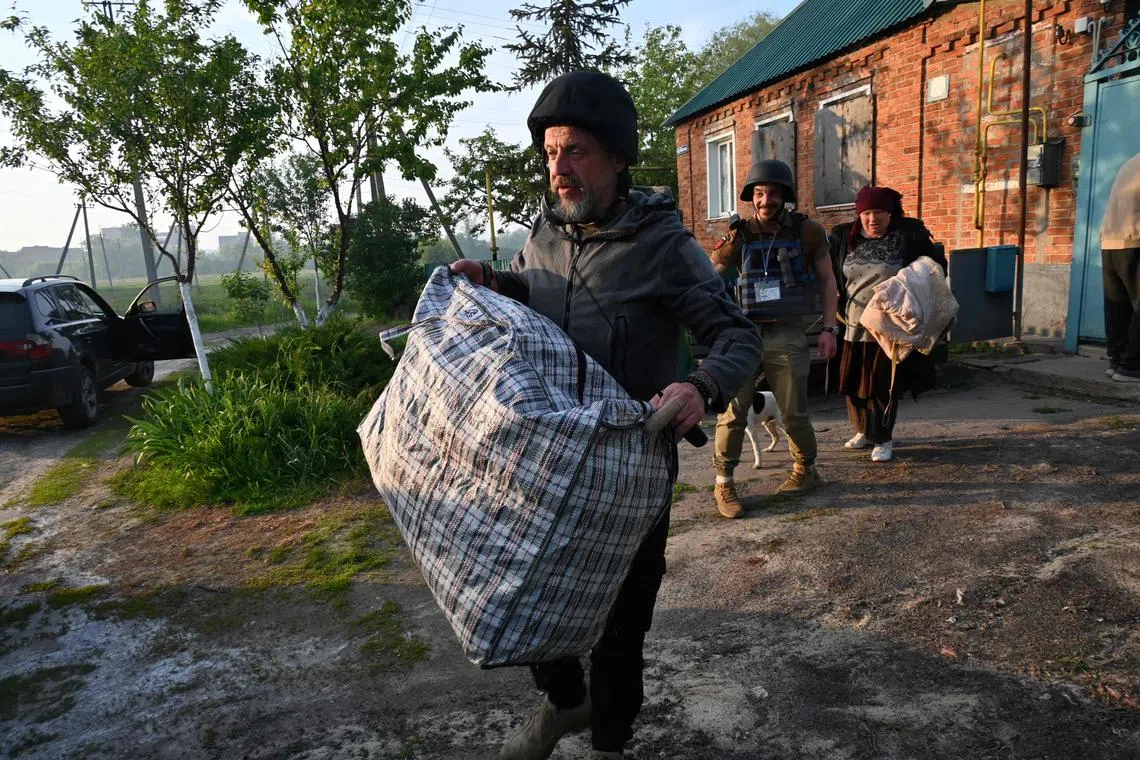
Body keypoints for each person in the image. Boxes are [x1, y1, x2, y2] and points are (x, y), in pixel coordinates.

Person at [449, 70, 763, 760]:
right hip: (548, 460)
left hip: (630, 467)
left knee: (620, 627)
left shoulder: (662, 245)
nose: (559, 170)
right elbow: (532, 293)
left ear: (618, 159)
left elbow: (737, 336)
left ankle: (609, 745)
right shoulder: (544, 234)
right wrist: (493, 282)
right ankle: (566, 703)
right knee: (531, 593)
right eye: (551, 153)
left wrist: (699, 388)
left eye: (577, 152)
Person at [707, 159, 839, 518]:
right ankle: (724, 482)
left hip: (788, 332)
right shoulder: (738, 234)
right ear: (751, 197)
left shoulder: (808, 232)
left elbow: (828, 280)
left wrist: (830, 329)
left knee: (794, 411)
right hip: (744, 334)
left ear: (786, 196)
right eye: (760, 193)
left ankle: (805, 470)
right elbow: (710, 276)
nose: (766, 200)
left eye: (774, 193)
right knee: (733, 411)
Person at [831, 185, 947, 462]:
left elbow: (935, 268)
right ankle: (863, 430)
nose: (873, 219)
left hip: (888, 327)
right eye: (867, 213)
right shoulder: (845, 237)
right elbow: (833, 273)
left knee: (882, 385)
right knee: (853, 383)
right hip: (852, 324)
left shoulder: (908, 236)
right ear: (859, 215)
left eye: (879, 212)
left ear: (891, 213)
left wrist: (911, 283)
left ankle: (883, 438)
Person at [1100, 152, 1140, 383]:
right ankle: (1131, 367)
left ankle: (1116, 362)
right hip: (1135, 240)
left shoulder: (1131, 162)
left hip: (1111, 241)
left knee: (1118, 307)